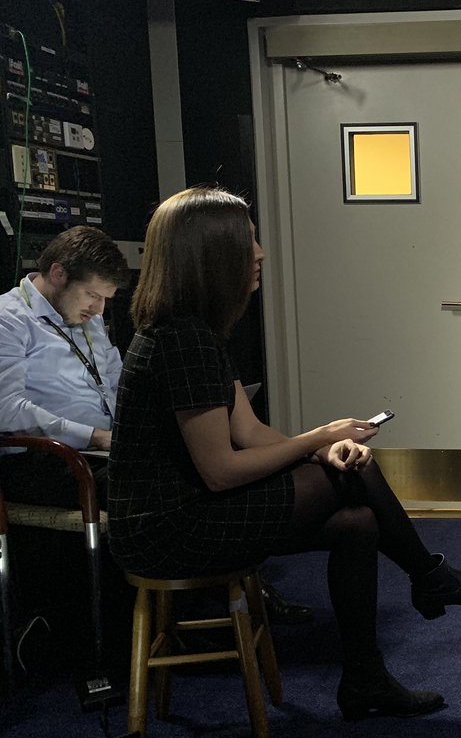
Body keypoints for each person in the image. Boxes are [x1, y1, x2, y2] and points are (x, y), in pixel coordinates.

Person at [108, 186, 461, 719]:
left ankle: (367, 677)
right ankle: (431, 578)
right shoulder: (184, 342)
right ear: (211, 255)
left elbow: (251, 433)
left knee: (358, 522)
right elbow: (222, 471)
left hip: (189, 512)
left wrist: (324, 448)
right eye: (248, 241)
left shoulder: (195, 333)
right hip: (169, 531)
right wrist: (320, 439)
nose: (259, 253)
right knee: (354, 476)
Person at [0, 226, 313, 626]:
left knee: (202, 457)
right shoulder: (9, 319)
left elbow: (118, 386)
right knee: (184, 481)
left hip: (106, 450)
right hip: (48, 462)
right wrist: (94, 436)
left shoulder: (86, 318)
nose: (99, 309)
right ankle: (211, 607)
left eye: (105, 299)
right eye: (93, 295)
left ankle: (225, 598)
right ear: (58, 274)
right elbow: (7, 411)